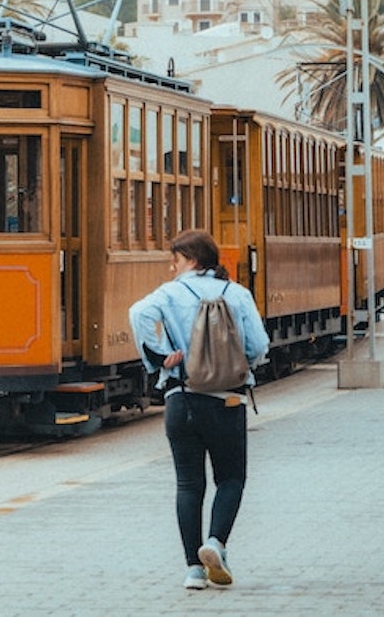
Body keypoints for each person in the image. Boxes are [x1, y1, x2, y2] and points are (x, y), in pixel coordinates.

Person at [129, 229, 270, 591]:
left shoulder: (170, 293)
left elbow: (137, 313)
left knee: (189, 484)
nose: (171, 267)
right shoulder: (236, 293)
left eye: (174, 260)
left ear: (190, 259)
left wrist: (160, 357)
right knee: (231, 478)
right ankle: (216, 543)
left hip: (182, 398)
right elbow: (259, 345)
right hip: (227, 399)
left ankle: (193, 568)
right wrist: (240, 363)